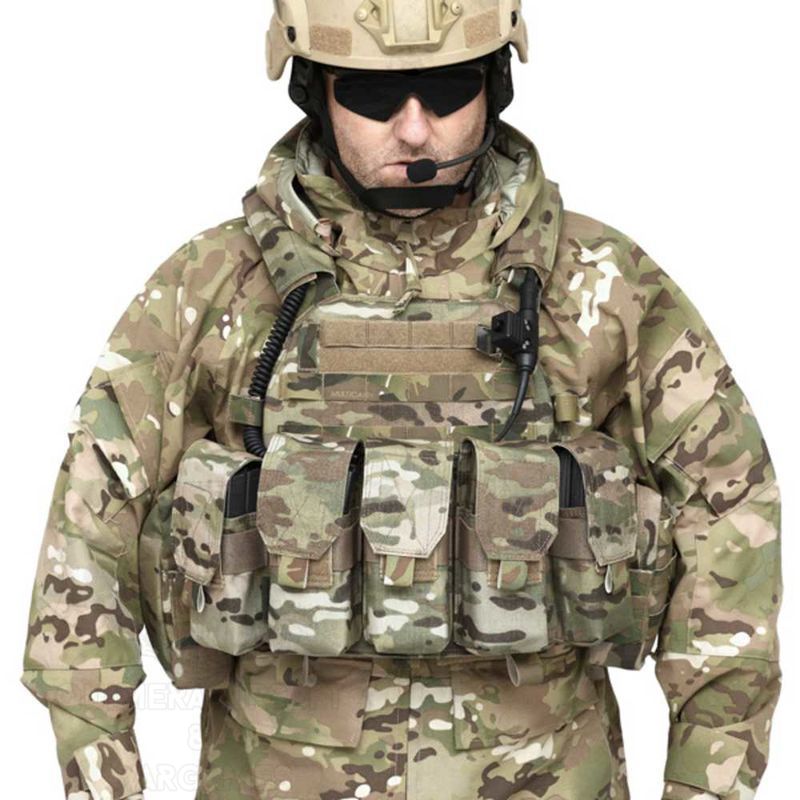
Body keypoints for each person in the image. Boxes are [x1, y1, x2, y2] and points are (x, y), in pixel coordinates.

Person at [21, 2, 782, 799]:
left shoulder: (599, 285)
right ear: (314, 92)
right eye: (375, 96)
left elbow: (729, 511)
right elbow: (90, 526)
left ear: (496, 85)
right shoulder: (213, 287)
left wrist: (707, 779)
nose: (416, 131)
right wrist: (101, 773)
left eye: (449, 90)